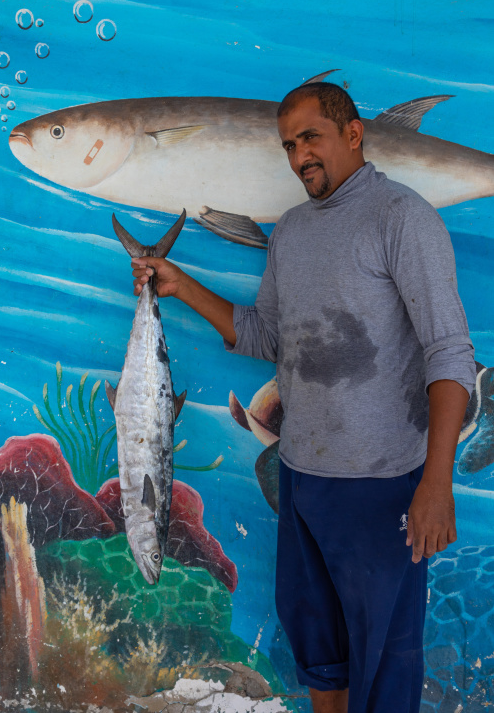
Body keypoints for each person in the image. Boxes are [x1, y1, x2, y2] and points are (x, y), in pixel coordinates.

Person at [130, 83, 476, 713]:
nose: (298, 157)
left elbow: (449, 353)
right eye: (289, 144)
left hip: (382, 487)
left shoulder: (403, 217)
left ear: (353, 133)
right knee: (322, 655)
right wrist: (181, 285)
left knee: (385, 663)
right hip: (302, 478)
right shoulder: (289, 231)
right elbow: (265, 335)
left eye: (310, 137)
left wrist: (436, 483)